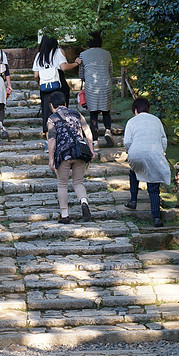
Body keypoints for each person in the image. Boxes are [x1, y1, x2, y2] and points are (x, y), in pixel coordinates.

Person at [46, 90, 94, 224]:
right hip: (80, 153)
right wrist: (91, 149)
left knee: (62, 185)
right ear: (65, 103)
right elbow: (88, 132)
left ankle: (65, 215)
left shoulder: (52, 119)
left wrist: (51, 158)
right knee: (78, 182)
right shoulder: (77, 114)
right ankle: (84, 202)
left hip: (63, 155)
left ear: (52, 105)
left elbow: (51, 140)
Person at [122, 97, 172, 227]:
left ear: (136, 110)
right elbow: (163, 140)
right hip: (154, 152)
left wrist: (130, 152)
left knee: (133, 171)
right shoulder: (156, 120)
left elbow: (127, 142)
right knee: (153, 186)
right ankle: (156, 217)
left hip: (136, 153)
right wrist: (161, 152)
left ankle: (133, 200)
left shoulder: (131, 121)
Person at [33, 35, 80, 134]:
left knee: (47, 113)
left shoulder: (39, 55)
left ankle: (48, 140)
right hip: (59, 85)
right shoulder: (58, 52)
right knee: (62, 111)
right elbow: (63, 67)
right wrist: (76, 63)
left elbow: (36, 75)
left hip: (45, 86)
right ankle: (62, 135)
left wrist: (39, 84)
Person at [77, 31, 114, 147]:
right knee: (106, 111)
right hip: (106, 84)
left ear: (88, 41)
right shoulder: (107, 54)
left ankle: (95, 143)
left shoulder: (83, 54)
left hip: (91, 85)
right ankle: (108, 130)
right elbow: (111, 71)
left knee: (93, 114)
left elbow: (81, 75)